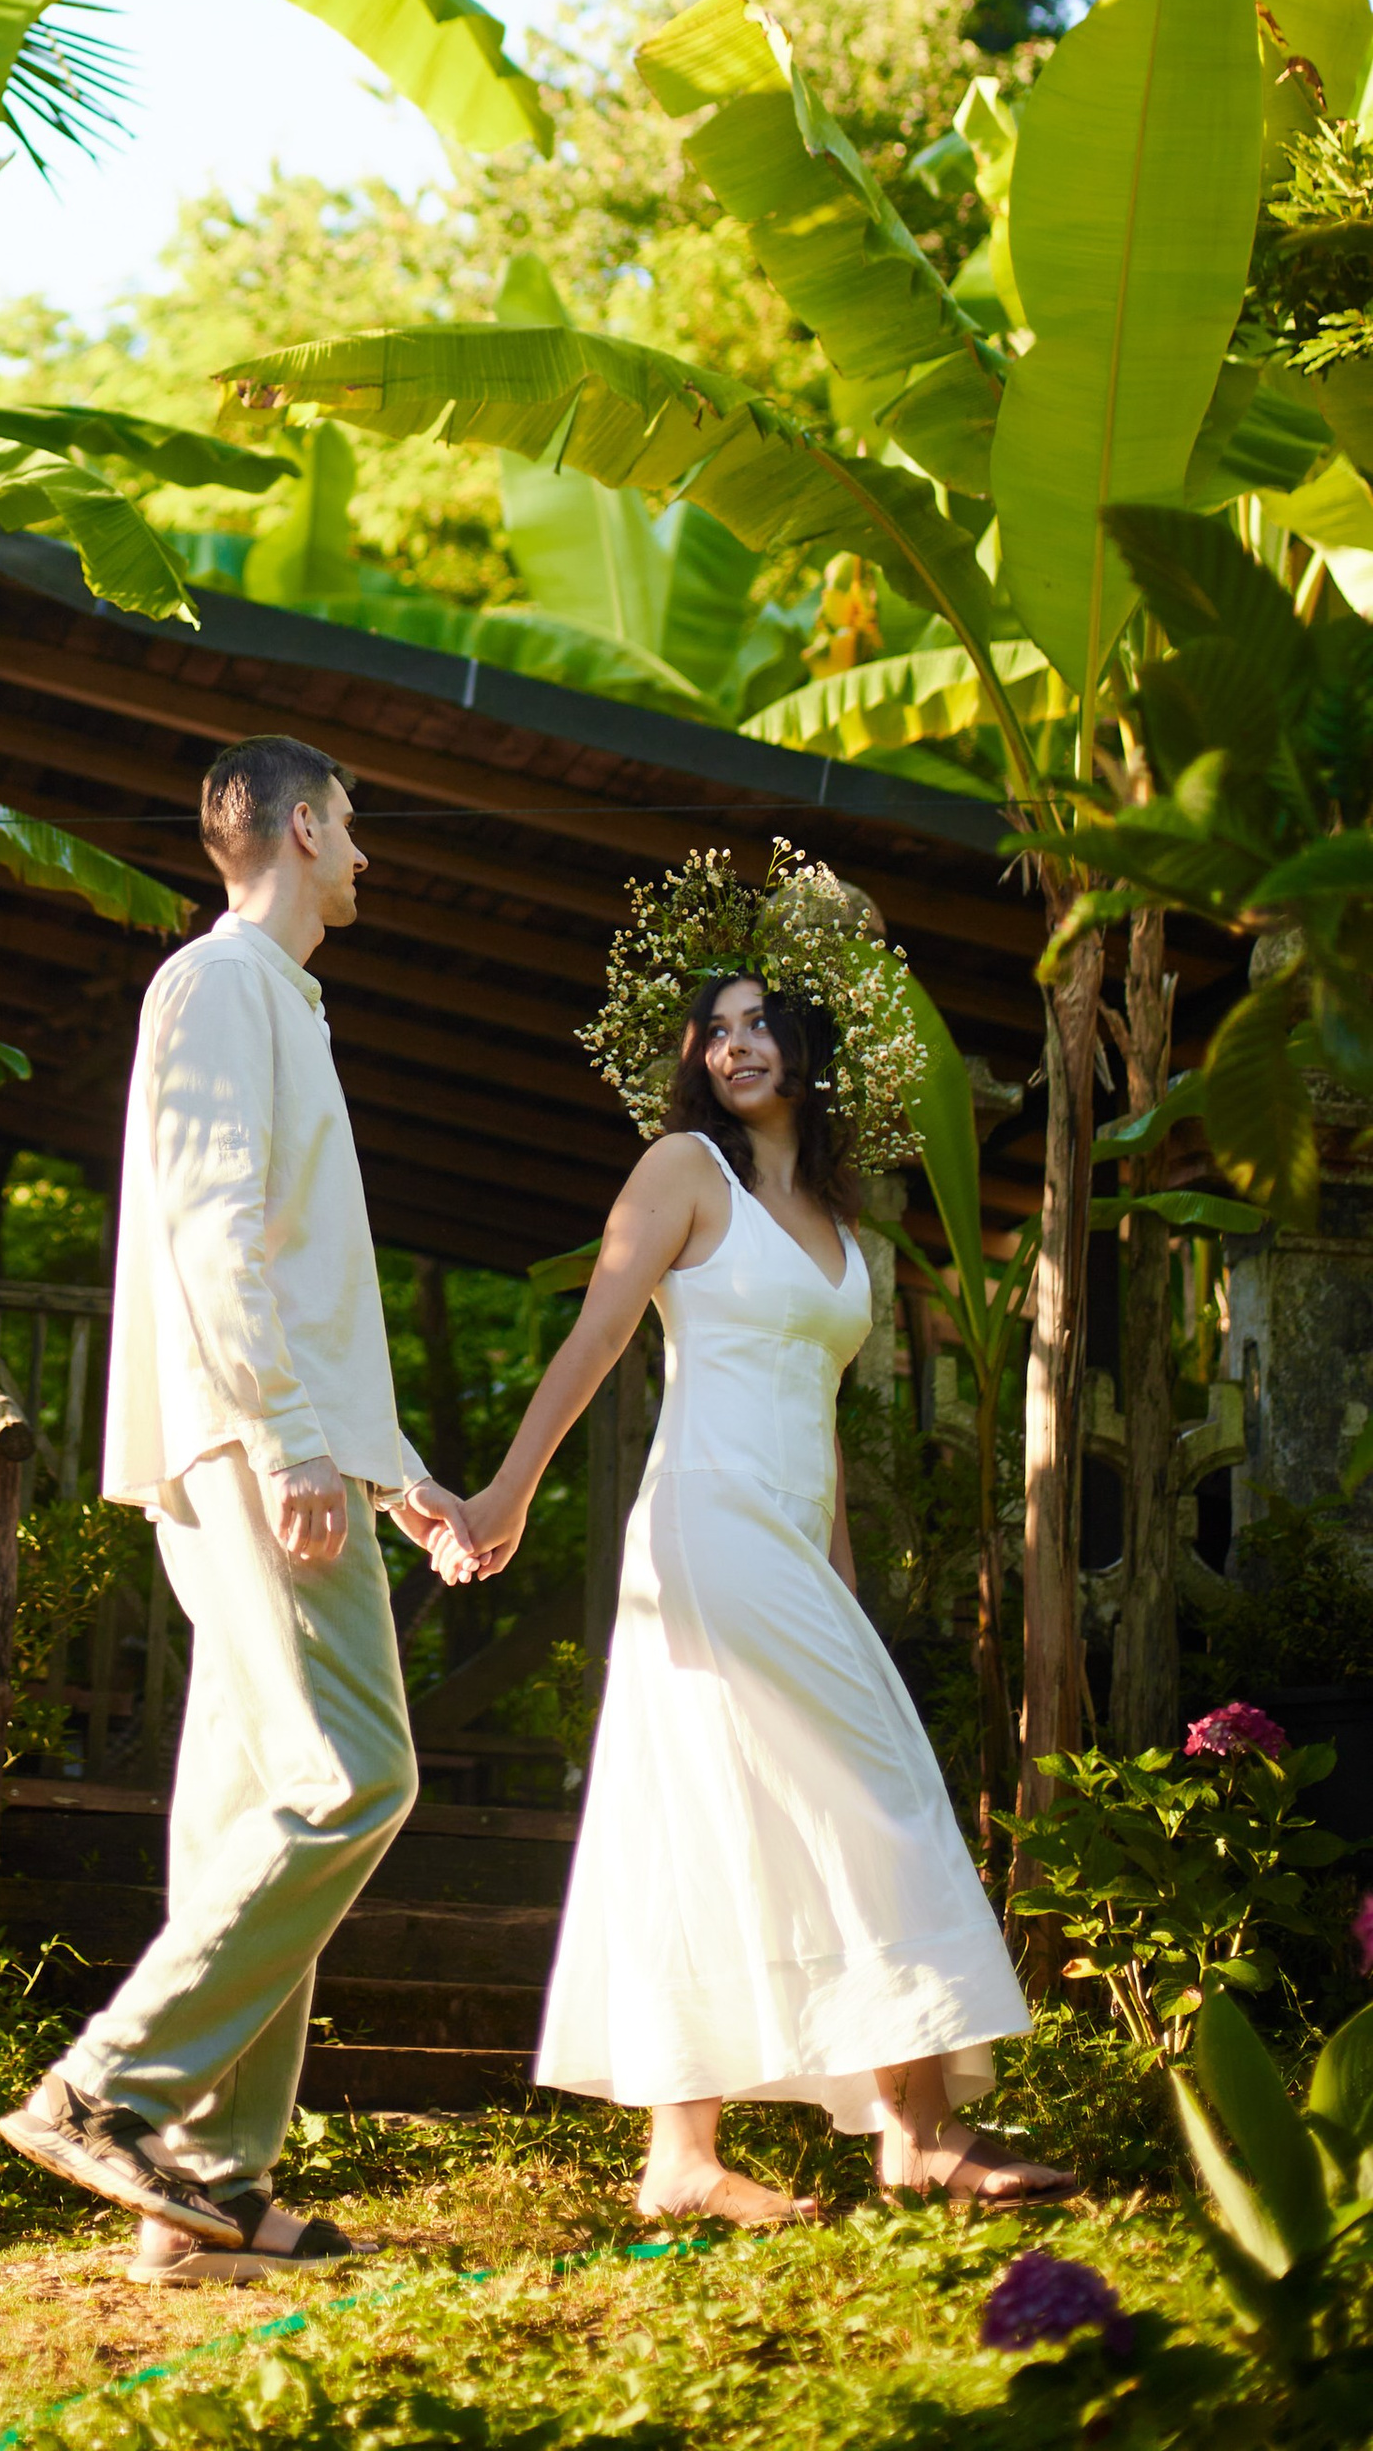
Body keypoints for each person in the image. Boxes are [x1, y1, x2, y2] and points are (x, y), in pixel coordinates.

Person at [435, 844, 1069, 2223]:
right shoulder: (680, 1172)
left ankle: (685, 2158)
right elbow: (598, 1337)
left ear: (808, 1047)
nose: (733, 1045)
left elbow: (824, 1418)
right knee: (884, 1790)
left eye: (759, 1023)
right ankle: (915, 2131)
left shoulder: (846, 1227)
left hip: (793, 1546)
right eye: (713, 1029)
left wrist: (841, 1577)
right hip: (708, 1527)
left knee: (712, 1809)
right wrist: (507, 1495)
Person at [0, 733, 474, 2282]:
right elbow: (213, 1234)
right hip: (244, 1445)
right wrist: (284, 1445)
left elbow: (306, 1283)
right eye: (356, 827)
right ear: (306, 823)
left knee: (244, 1810)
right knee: (355, 1779)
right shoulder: (218, 987)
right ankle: (108, 2090)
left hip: (284, 1444)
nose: (368, 857)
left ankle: (196, 2190)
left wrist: (391, 1476)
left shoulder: (278, 1002)